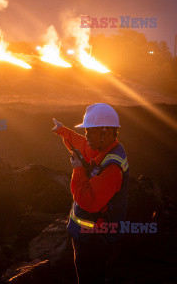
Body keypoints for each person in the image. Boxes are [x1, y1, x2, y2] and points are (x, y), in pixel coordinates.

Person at [53, 103, 129, 284]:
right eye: (86, 131)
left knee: (90, 277)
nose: (87, 137)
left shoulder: (112, 167)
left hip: (95, 241)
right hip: (85, 236)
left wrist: (78, 170)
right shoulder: (103, 149)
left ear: (106, 132)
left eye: (90, 132)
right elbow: (81, 144)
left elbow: (89, 201)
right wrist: (63, 131)